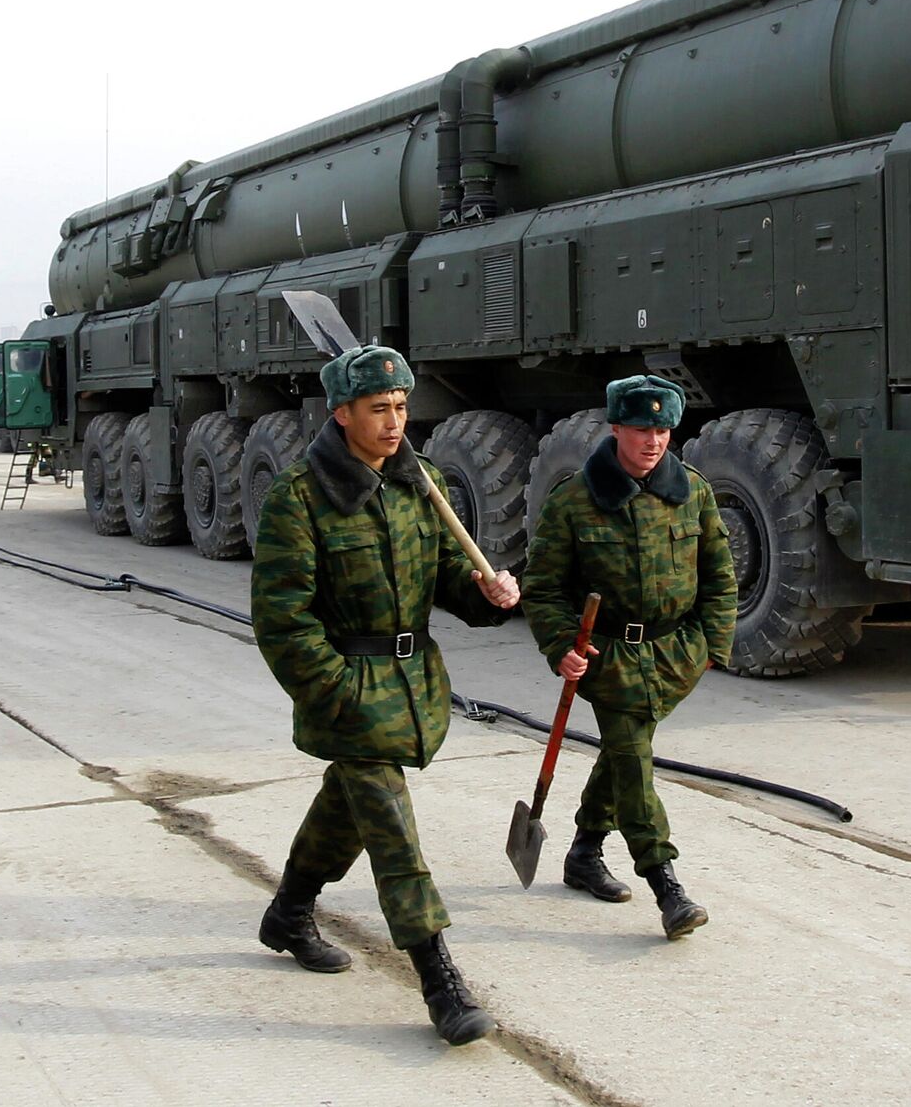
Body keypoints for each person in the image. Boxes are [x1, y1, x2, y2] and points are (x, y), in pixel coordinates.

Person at [251, 345, 521, 1046]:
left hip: (412, 684)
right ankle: (440, 981)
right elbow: (282, 619)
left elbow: (445, 581)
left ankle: (289, 912)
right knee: (392, 829)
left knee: (347, 803)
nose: (395, 420)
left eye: (401, 407)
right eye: (379, 409)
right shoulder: (299, 498)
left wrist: (489, 594)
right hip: (348, 683)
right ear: (342, 414)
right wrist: (336, 693)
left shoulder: (418, 484)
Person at [523, 374, 737, 940]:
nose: (653, 440)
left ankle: (584, 851)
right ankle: (665, 883)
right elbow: (542, 588)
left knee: (623, 752)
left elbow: (720, 576)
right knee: (635, 763)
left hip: (676, 654)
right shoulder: (573, 499)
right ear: (615, 427)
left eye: (663, 428)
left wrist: (711, 646)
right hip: (610, 655)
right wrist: (561, 646)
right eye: (641, 428)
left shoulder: (693, 491)